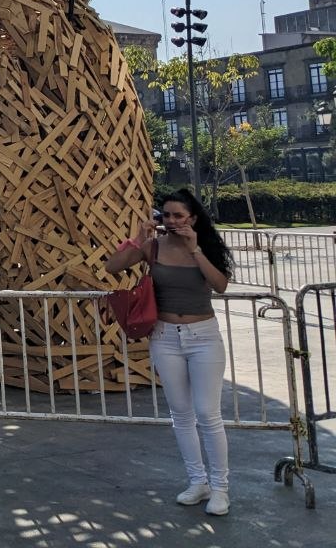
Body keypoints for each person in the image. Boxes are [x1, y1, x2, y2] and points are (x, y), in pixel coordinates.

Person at [105, 188, 234, 516]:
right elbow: (113, 267)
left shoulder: (204, 246)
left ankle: (220, 488)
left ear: (193, 218)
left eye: (179, 216)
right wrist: (138, 238)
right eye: (167, 215)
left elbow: (220, 285)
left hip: (203, 336)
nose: (172, 221)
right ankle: (197, 481)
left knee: (208, 413)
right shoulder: (154, 247)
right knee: (180, 414)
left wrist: (196, 251)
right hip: (165, 337)